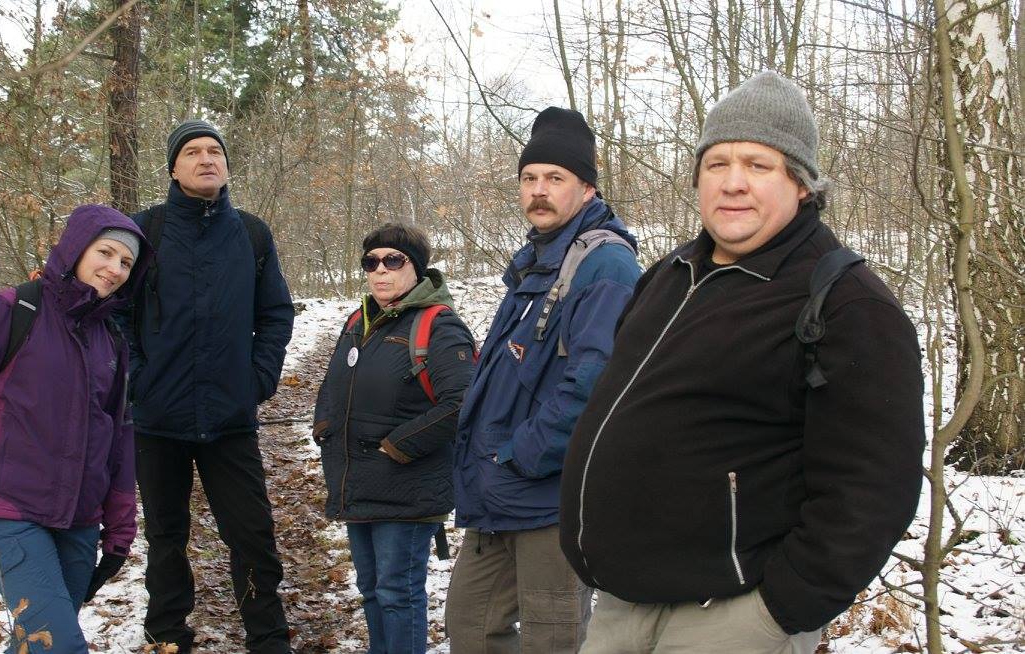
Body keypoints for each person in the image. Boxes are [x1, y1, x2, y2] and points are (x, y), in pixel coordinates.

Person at [559, 71, 925, 654]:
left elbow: (873, 490)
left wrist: (778, 611)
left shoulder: (846, 303)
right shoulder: (670, 275)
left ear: (801, 184)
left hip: (730, 615)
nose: (732, 183)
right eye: (717, 164)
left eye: (758, 165)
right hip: (623, 604)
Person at [446, 107, 643, 652]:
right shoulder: (536, 262)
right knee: (470, 626)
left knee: (551, 640)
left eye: (555, 178)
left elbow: (596, 383)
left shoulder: (605, 265)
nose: (539, 190)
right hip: (499, 490)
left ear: (587, 188)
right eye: (529, 177)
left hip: (548, 495)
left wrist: (523, 455)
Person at [0, 204, 148, 653]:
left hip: (80, 519)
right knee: (58, 646)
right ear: (76, 248)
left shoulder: (111, 339)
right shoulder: (13, 310)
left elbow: (118, 438)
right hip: (7, 509)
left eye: (126, 262)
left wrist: (120, 532)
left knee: (34, 645)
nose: (115, 269)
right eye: (105, 252)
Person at [117, 120, 295, 653]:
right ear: (174, 168)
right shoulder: (144, 231)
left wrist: (257, 379)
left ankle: (268, 639)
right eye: (192, 151)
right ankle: (167, 634)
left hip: (229, 417)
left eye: (214, 150)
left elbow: (276, 313)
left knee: (252, 534)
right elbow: (116, 314)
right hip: (157, 417)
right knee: (165, 536)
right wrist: (137, 379)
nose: (206, 159)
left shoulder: (252, 234)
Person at [313, 223, 476, 654]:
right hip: (358, 480)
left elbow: (462, 402)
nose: (380, 270)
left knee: (397, 594)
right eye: (371, 262)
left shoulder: (439, 326)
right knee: (371, 590)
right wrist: (324, 428)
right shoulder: (359, 321)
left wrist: (397, 446)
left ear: (415, 267)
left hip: (407, 486)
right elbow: (332, 385)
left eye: (392, 260)